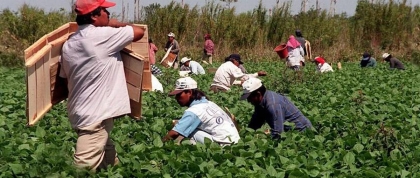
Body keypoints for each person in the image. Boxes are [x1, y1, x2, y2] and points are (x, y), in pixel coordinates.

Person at [59, 0, 145, 171]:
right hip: (95, 116)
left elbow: (63, 77)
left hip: (81, 110)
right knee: (81, 169)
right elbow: (139, 32)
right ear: (93, 16)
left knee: (108, 158)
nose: (109, 13)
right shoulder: (100, 36)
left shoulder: (70, 43)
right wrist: (114, 24)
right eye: (104, 10)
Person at [162, 77, 240, 146]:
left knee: (188, 130)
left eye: (179, 95)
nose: (176, 98)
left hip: (224, 145)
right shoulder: (209, 103)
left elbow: (175, 133)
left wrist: (162, 143)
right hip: (236, 142)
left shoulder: (195, 111)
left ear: (189, 92)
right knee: (187, 126)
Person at [240, 78, 312, 139]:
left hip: (301, 133)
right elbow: (255, 123)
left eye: (249, 97)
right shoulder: (261, 102)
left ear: (258, 94)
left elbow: (278, 132)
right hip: (288, 132)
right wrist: (245, 136)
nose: (248, 101)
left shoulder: (273, 104)